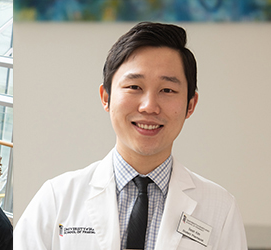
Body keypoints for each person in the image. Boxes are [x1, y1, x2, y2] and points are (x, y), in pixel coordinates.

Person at [14, 22, 247, 249]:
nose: (149, 106)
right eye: (134, 87)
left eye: (167, 90)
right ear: (105, 97)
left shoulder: (220, 209)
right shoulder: (57, 198)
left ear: (191, 104)